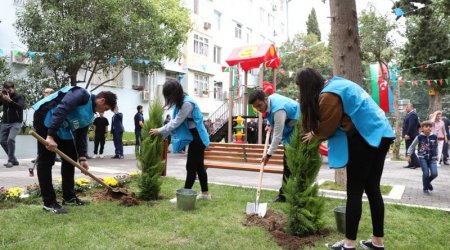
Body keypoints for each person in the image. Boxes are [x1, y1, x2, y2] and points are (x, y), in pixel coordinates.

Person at [296, 68, 393, 250]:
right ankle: (377, 242)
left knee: (355, 190)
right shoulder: (338, 83)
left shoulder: (328, 95)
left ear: (307, 86)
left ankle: (349, 245)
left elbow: (328, 127)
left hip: (365, 137)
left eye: (300, 88)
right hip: (383, 133)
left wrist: (314, 134)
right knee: (373, 188)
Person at [32, 86, 117, 214]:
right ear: (102, 101)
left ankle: (69, 197)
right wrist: (50, 136)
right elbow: (62, 109)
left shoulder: (90, 114)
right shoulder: (81, 94)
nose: (104, 112)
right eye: (105, 109)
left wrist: (82, 157)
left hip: (62, 124)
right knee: (46, 160)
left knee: (71, 157)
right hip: (47, 116)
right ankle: (49, 203)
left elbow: (81, 131)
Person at [149, 79, 211, 203]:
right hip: (195, 136)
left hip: (198, 137)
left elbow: (175, 122)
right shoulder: (182, 101)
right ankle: (205, 194)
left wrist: (159, 131)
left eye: (168, 95)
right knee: (199, 167)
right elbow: (174, 123)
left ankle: (184, 195)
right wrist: (161, 135)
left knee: (191, 166)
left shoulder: (187, 104)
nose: (168, 98)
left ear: (174, 93)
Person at [248, 89, 300, 203]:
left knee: (291, 165)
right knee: (288, 165)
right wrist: (269, 124)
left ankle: (291, 196)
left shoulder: (278, 110)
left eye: (259, 105)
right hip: (290, 128)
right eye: (256, 107)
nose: (258, 109)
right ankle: (284, 196)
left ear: (266, 99)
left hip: (299, 129)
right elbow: (268, 114)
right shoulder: (270, 102)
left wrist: (268, 155)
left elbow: (277, 137)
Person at [406, 121, 438, 194]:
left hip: (432, 158)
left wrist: (437, 154)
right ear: (422, 128)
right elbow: (412, 146)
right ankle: (425, 188)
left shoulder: (434, 136)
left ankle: (427, 182)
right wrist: (408, 155)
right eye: (426, 126)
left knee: (434, 174)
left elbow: (436, 146)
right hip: (422, 157)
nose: (429, 128)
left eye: (430, 127)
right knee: (426, 173)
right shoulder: (419, 137)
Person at [0, 81, 25, 168]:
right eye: (6, 90)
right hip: (5, 122)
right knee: (2, 141)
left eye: (10, 89)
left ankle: (10, 161)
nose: (8, 91)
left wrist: (10, 100)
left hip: (16, 122)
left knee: (10, 139)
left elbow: (20, 107)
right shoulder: (3, 96)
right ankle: (13, 159)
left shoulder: (20, 96)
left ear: (14, 88)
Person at [402, 103, 420, 169]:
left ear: (411, 107)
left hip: (410, 135)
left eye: (407, 107)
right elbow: (418, 125)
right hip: (410, 135)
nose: (406, 109)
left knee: (410, 150)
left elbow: (411, 125)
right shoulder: (411, 115)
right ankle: (411, 163)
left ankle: (416, 164)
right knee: (408, 150)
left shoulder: (412, 115)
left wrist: (408, 134)